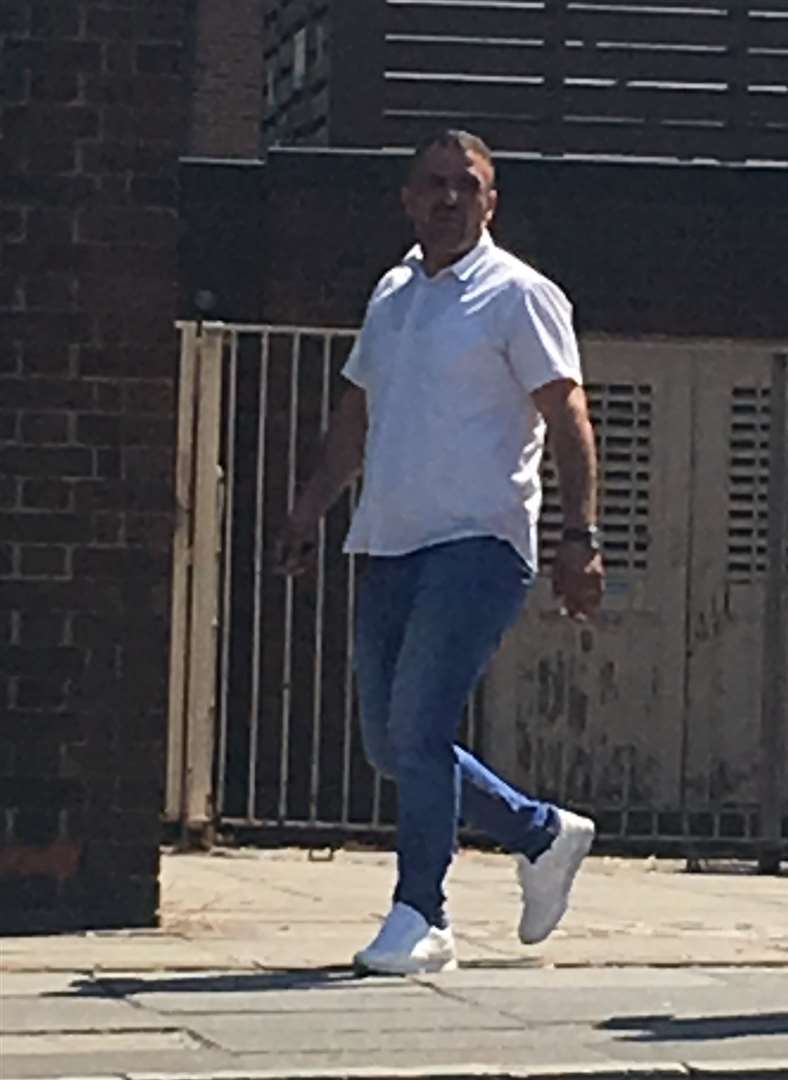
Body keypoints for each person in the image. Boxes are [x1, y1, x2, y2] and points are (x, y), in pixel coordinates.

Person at [275, 129, 604, 975]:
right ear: (407, 199)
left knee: (419, 725)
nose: (449, 198)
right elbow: (355, 413)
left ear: (491, 202)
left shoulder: (518, 294)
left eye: (467, 185)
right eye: (433, 185)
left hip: (479, 543)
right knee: (391, 745)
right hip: (389, 539)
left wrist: (580, 533)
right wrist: (310, 509)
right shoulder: (393, 295)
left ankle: (423, 916)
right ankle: (538, 833)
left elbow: (567, 416)